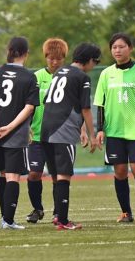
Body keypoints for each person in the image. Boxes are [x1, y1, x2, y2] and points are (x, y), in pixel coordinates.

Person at [93, 33, 135, 223]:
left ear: (130, 48)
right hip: (114, 132)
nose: (117, 50)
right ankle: (126, 213)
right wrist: (100, 129)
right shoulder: (106, 74)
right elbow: (100, 104)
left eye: (121, 46)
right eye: (114, 47)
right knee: (119, 172)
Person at [0, 37, 39, 230]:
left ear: (9, 51)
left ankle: (4, 217)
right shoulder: (29, 77)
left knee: (2, 174)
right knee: (13, 176)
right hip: (14, 135)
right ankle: (8, 220)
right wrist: (12, 127)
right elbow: (29, 107)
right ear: (26, 54)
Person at [40, 43, 101, 230]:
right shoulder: (82, 77)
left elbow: (49, 100)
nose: (94, 65)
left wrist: (80, 130)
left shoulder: (60, 72)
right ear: (89, 60)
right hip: (63, 131)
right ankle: (64, 221)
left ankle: (59, 215)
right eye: (96, 61)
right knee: (64, 175)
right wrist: (92, 134)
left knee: (56, 176)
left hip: (46, 129)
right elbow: (85, 109)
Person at [25, 38, 67, 224]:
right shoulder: (36, 77)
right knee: (34, 173)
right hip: (37, 134)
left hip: (59, 135)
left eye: (58, 58)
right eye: (51, 58)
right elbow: (28, 105)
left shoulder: (67, 77)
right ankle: (37, 208)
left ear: (64, 59)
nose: (54, 62)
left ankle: (58, 212)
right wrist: (26, 127)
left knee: (58, 175)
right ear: (45, 57)